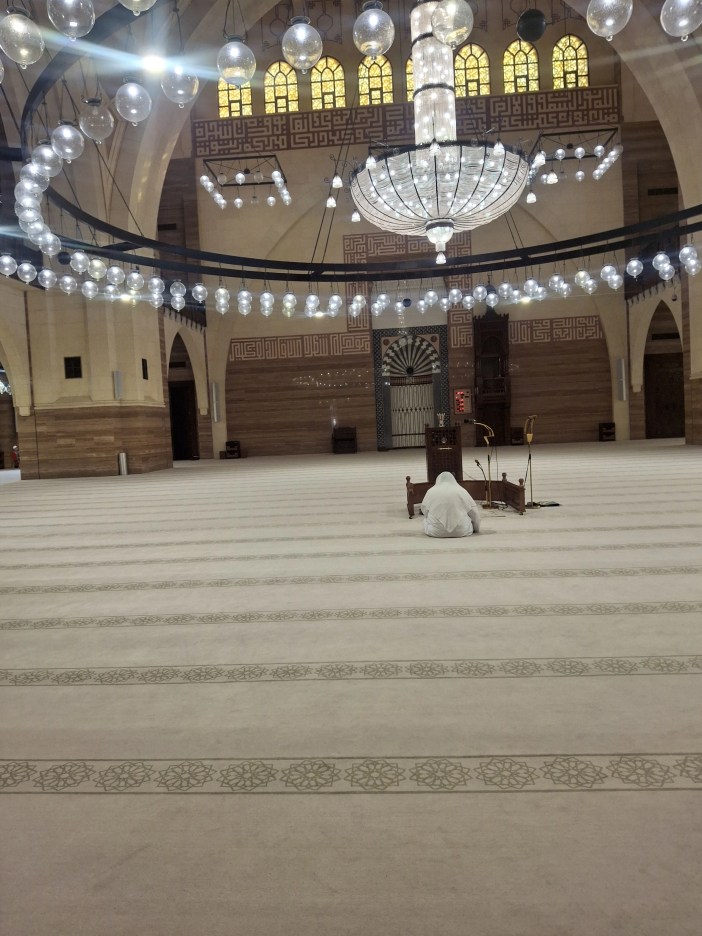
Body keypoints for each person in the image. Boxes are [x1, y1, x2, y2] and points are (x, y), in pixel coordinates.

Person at [420, 471, 481, 538]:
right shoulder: (462, 491)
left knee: (425, 521)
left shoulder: (431, 491)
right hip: (461, 531)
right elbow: (474, 513)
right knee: (468, 520)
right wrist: (476, 529)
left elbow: (424, 510)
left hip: (435, 532)